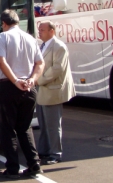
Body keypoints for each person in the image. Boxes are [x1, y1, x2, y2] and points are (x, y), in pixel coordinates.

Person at [0, 9, 45, 179]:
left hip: (9, 86)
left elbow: (1, 61)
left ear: (4, 24)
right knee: (25, 128)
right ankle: (34, 165)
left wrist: (15, 81)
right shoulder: (30, 38)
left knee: (7, 129)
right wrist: (32, 80)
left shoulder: (3, 37)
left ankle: (12, 168)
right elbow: (40, 63)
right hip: (29, 88)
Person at [36, 21, 76, 165]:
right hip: (42, 92)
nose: (39, 32)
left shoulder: (59, 47)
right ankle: (44, 151)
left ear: (52, 31)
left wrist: (38, 80)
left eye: (42, 30)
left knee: (53, 125)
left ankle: (55, 153)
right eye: (39, 29)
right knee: (43, 124)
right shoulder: (42, 45)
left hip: (52, 91)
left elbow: (57, 69)